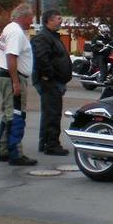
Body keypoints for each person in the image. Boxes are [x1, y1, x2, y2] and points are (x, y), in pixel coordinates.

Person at [0, 2, 37, 166]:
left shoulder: (8, 29)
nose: (31, 21)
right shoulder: (16, 32)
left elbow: (0, 48)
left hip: (6, 75)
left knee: (9, 114)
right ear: (23, 16)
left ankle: (3, 149)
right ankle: (15, 153)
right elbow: (11, 56)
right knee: (17, 115)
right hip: (13, 77)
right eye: (30, 17)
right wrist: (16, 82)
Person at [31, 8, 72, 155]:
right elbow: (42, 58)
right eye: (57, 18)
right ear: (49, 20)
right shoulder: (43, 37)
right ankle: (52, 144)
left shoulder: (53, 36)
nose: (61, 20)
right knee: (52, 113)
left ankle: (45, 142)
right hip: (50, 82)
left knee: (50, 112)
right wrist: (51, 75)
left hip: (55, 81)